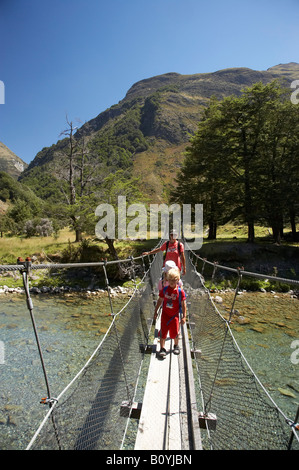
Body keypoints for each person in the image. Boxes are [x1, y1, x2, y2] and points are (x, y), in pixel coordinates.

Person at [153, 268, 186, 357]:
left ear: (178, 280)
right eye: (170, 280)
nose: (172, 282)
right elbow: (160, 300)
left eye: (174, 280)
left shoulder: (180, 292)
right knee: (163, 332)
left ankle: (176, 346)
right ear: (167, 279)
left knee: (175, 332)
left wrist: (184, 316)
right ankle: (162, 348)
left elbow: (183, 305)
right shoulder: (165, 289)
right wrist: (155, 312)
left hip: (174, 315)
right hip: (165, 314)